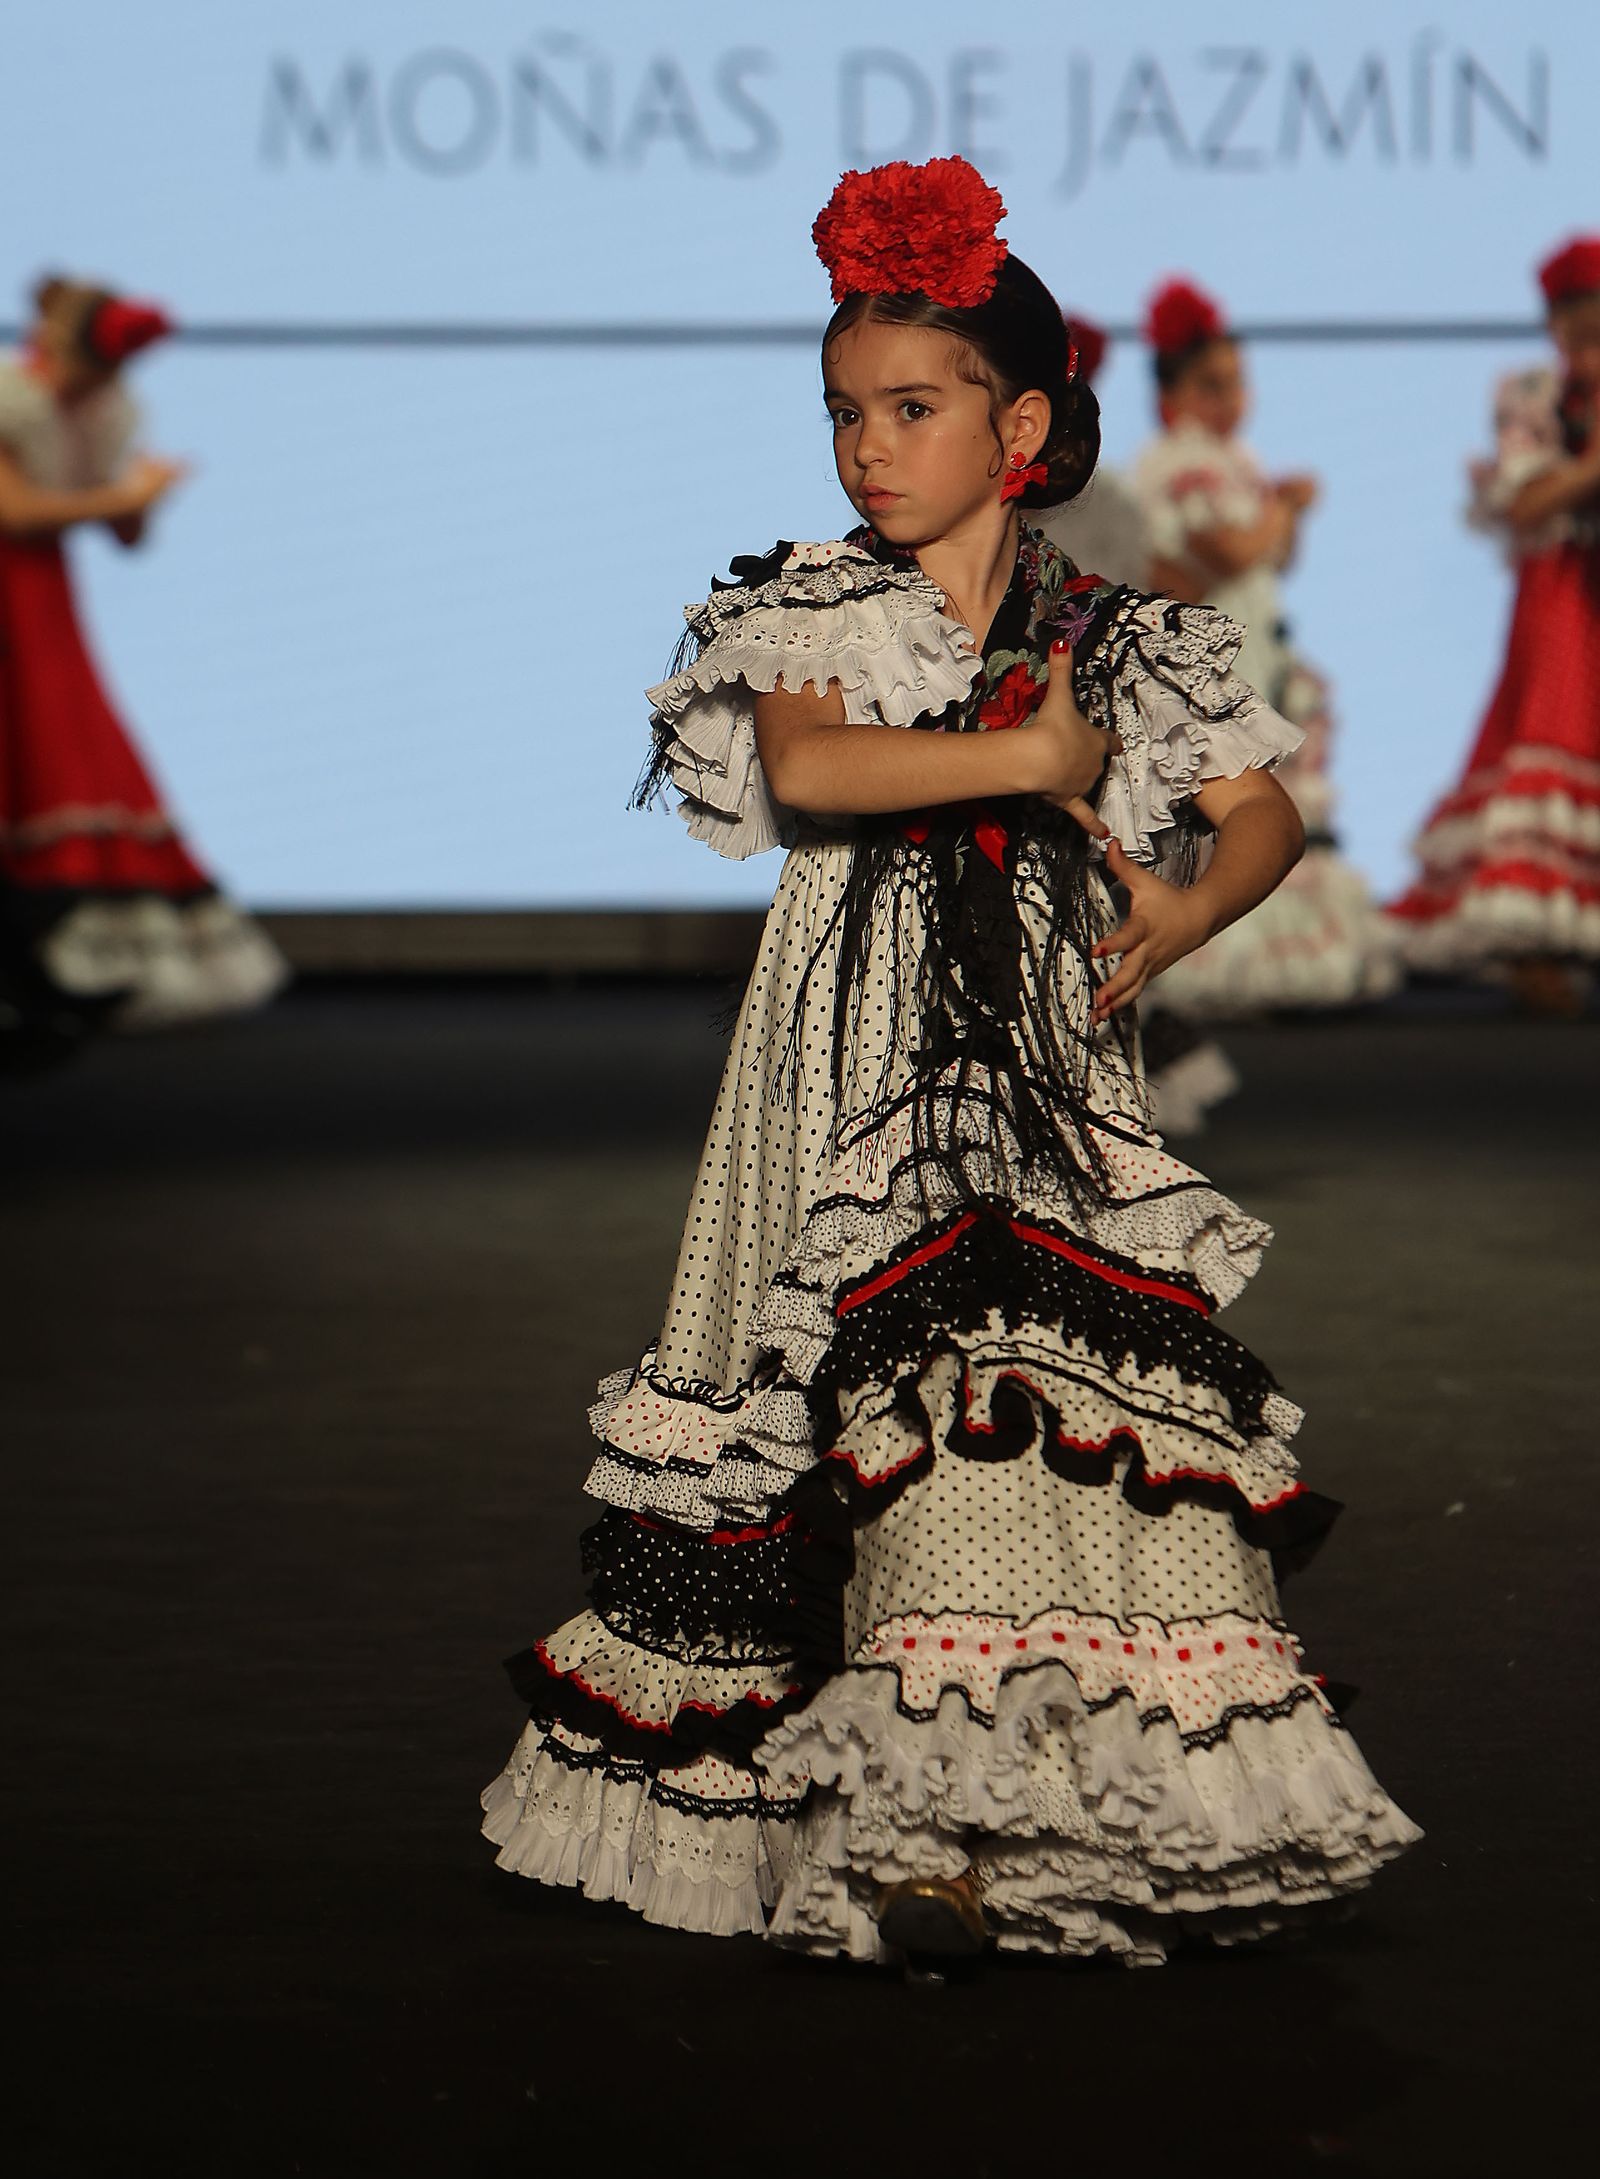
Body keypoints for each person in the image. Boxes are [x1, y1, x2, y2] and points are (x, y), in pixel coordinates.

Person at [482, 159, 1419, 1967]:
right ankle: (858, 1811)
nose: (868, 448)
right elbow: (819, 778)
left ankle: (980, 1819)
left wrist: (1179, 909)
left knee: (1007, 1398)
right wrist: (1028, 758)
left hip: (1043, 1079)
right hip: (840, 1068)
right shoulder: (813, 606)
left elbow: (1268, 813)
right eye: (846, 411)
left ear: (1025, 422)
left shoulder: (1113, 631)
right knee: (829, 1394)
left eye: (911, 408)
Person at [0, 274, 286, 1045]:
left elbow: (118, 532)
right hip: (11, 591)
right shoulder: (11, 397)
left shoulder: (92, 411)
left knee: (61, 754)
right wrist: (120, 501)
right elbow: (13, 511)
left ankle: (45, 968)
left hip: (44, 601)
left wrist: (139, 495)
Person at [1130, 279, 1398, 1018]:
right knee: (1223, 795)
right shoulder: (1176, 461)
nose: (1233, 399)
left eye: (1238, 383)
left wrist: (1280, 516)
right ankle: (1211, 953)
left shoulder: (1233, 459)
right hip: (1210, 654)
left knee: (1266, 794)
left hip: (1251, 647)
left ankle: (1275, 955)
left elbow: (1272, 560)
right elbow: (1225, 550)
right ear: (1175, 390)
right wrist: (1280, 508)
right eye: (1213, 385)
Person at [1038, 311, 1241, 1137]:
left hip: (1095, 725)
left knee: (1092, 912)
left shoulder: (1105, 497)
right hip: (1045, 729)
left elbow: (1123, 599)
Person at [1389, 236, 1600, 1014]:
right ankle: (1535, 949)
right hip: (1561, 590)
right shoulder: (1535, 392)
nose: (1583, 335)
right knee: (1550, 734)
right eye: (1572, 321)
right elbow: (1523, 504)